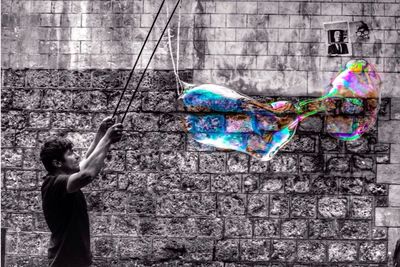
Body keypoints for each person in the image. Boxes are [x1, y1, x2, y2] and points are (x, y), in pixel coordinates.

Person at [40, 117, 123, 267]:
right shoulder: (54, 183)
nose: (76, 156)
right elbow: (87, 174)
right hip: (64, 260)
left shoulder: (62, 179)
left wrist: (101, 133)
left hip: (76, 259)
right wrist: (107, 139)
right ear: (57, 163)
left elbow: (86, 161)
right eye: (71, 153)